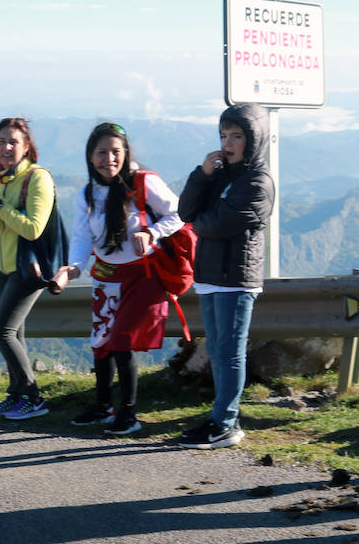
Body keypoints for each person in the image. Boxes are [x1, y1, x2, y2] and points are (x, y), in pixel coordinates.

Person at [58, 123, 184, 436]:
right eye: (102, 152)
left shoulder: (143, 182)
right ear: (90, 156)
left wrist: (150, 232)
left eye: (116, 152)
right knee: (100, 342)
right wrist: (72, 267)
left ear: (126, 153)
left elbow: (178, 213)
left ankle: (128, 413)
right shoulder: (87, 193)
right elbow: (81, 236)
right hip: (106, 274)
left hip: (142, 276)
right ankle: (104, 406)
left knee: (121, 341)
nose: (109, 159)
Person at [176, 103, 274, 449]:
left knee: (230, 351)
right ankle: (218, 418)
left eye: (237, 136)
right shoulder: (218, 176)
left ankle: (226, 423)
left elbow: (216, 224)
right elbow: (186, 211)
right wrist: (201, 175)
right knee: (217, 350)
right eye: (223, 135)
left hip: (236, 276)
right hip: (209, 275)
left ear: (254, 139)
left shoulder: (258, 182)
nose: (228, 143)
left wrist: (200, 222)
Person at [0, 117, 54, 420]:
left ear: (26, 147)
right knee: (15, 335)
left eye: (13, 142)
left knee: (2, 331)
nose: (6, 147)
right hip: (4, 268)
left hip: (28, 269)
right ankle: (16, 394)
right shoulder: (0, 179)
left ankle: (33, 397)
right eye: (0, 142)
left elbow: (34, 228)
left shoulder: (38, 178)